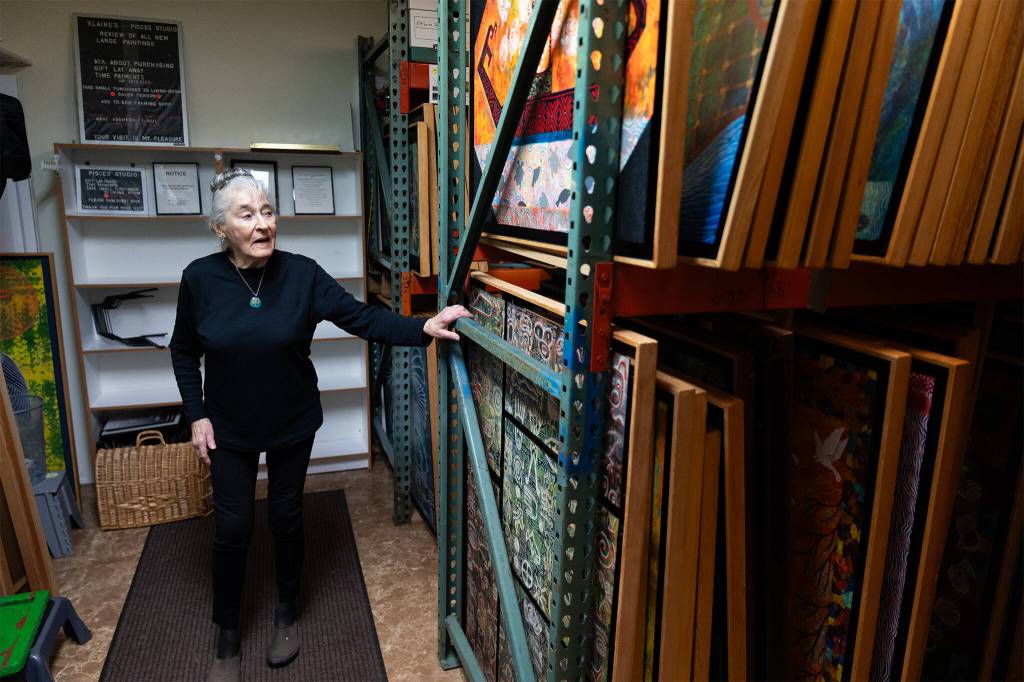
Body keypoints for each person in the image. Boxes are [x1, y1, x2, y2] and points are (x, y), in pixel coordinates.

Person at [169, 168, 470, 682]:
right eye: (247, 215)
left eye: (267, 211)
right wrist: (196, 415)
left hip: (291, 421)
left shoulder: (302, 273)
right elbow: (182, 350)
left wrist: (422, 327)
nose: (263, 224)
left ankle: (286, 610)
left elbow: (361, 317)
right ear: (221, 229)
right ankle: (228, 633)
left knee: (286, 517)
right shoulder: (200, 278)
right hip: (228, 428)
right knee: (234, 527)